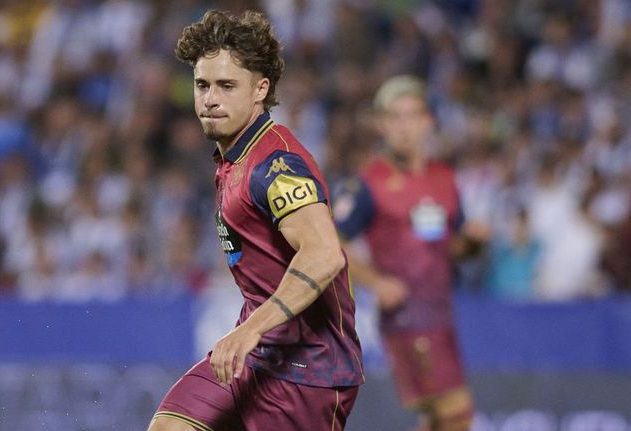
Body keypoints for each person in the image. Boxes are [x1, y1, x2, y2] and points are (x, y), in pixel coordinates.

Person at [148, 10, 364, 431]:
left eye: (226, 86)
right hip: (258, 351)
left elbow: (324, 255)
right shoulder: (235, 156)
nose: (210, 98)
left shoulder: (277, 164)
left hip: (309, 368)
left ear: (259, 89)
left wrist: (250, 330)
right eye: (202, 85)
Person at [333, 75, 477, 431]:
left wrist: (475, 242)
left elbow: (453, 245)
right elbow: (332, 242)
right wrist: (376, 281)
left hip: (441, 313)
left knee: (436, 417)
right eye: (394, 117)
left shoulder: (444, 178)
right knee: (457, 410)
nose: (404, 127)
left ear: (428, 121)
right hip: (407, 317)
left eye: (412, 115)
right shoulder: (368, 182)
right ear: (381, 124)